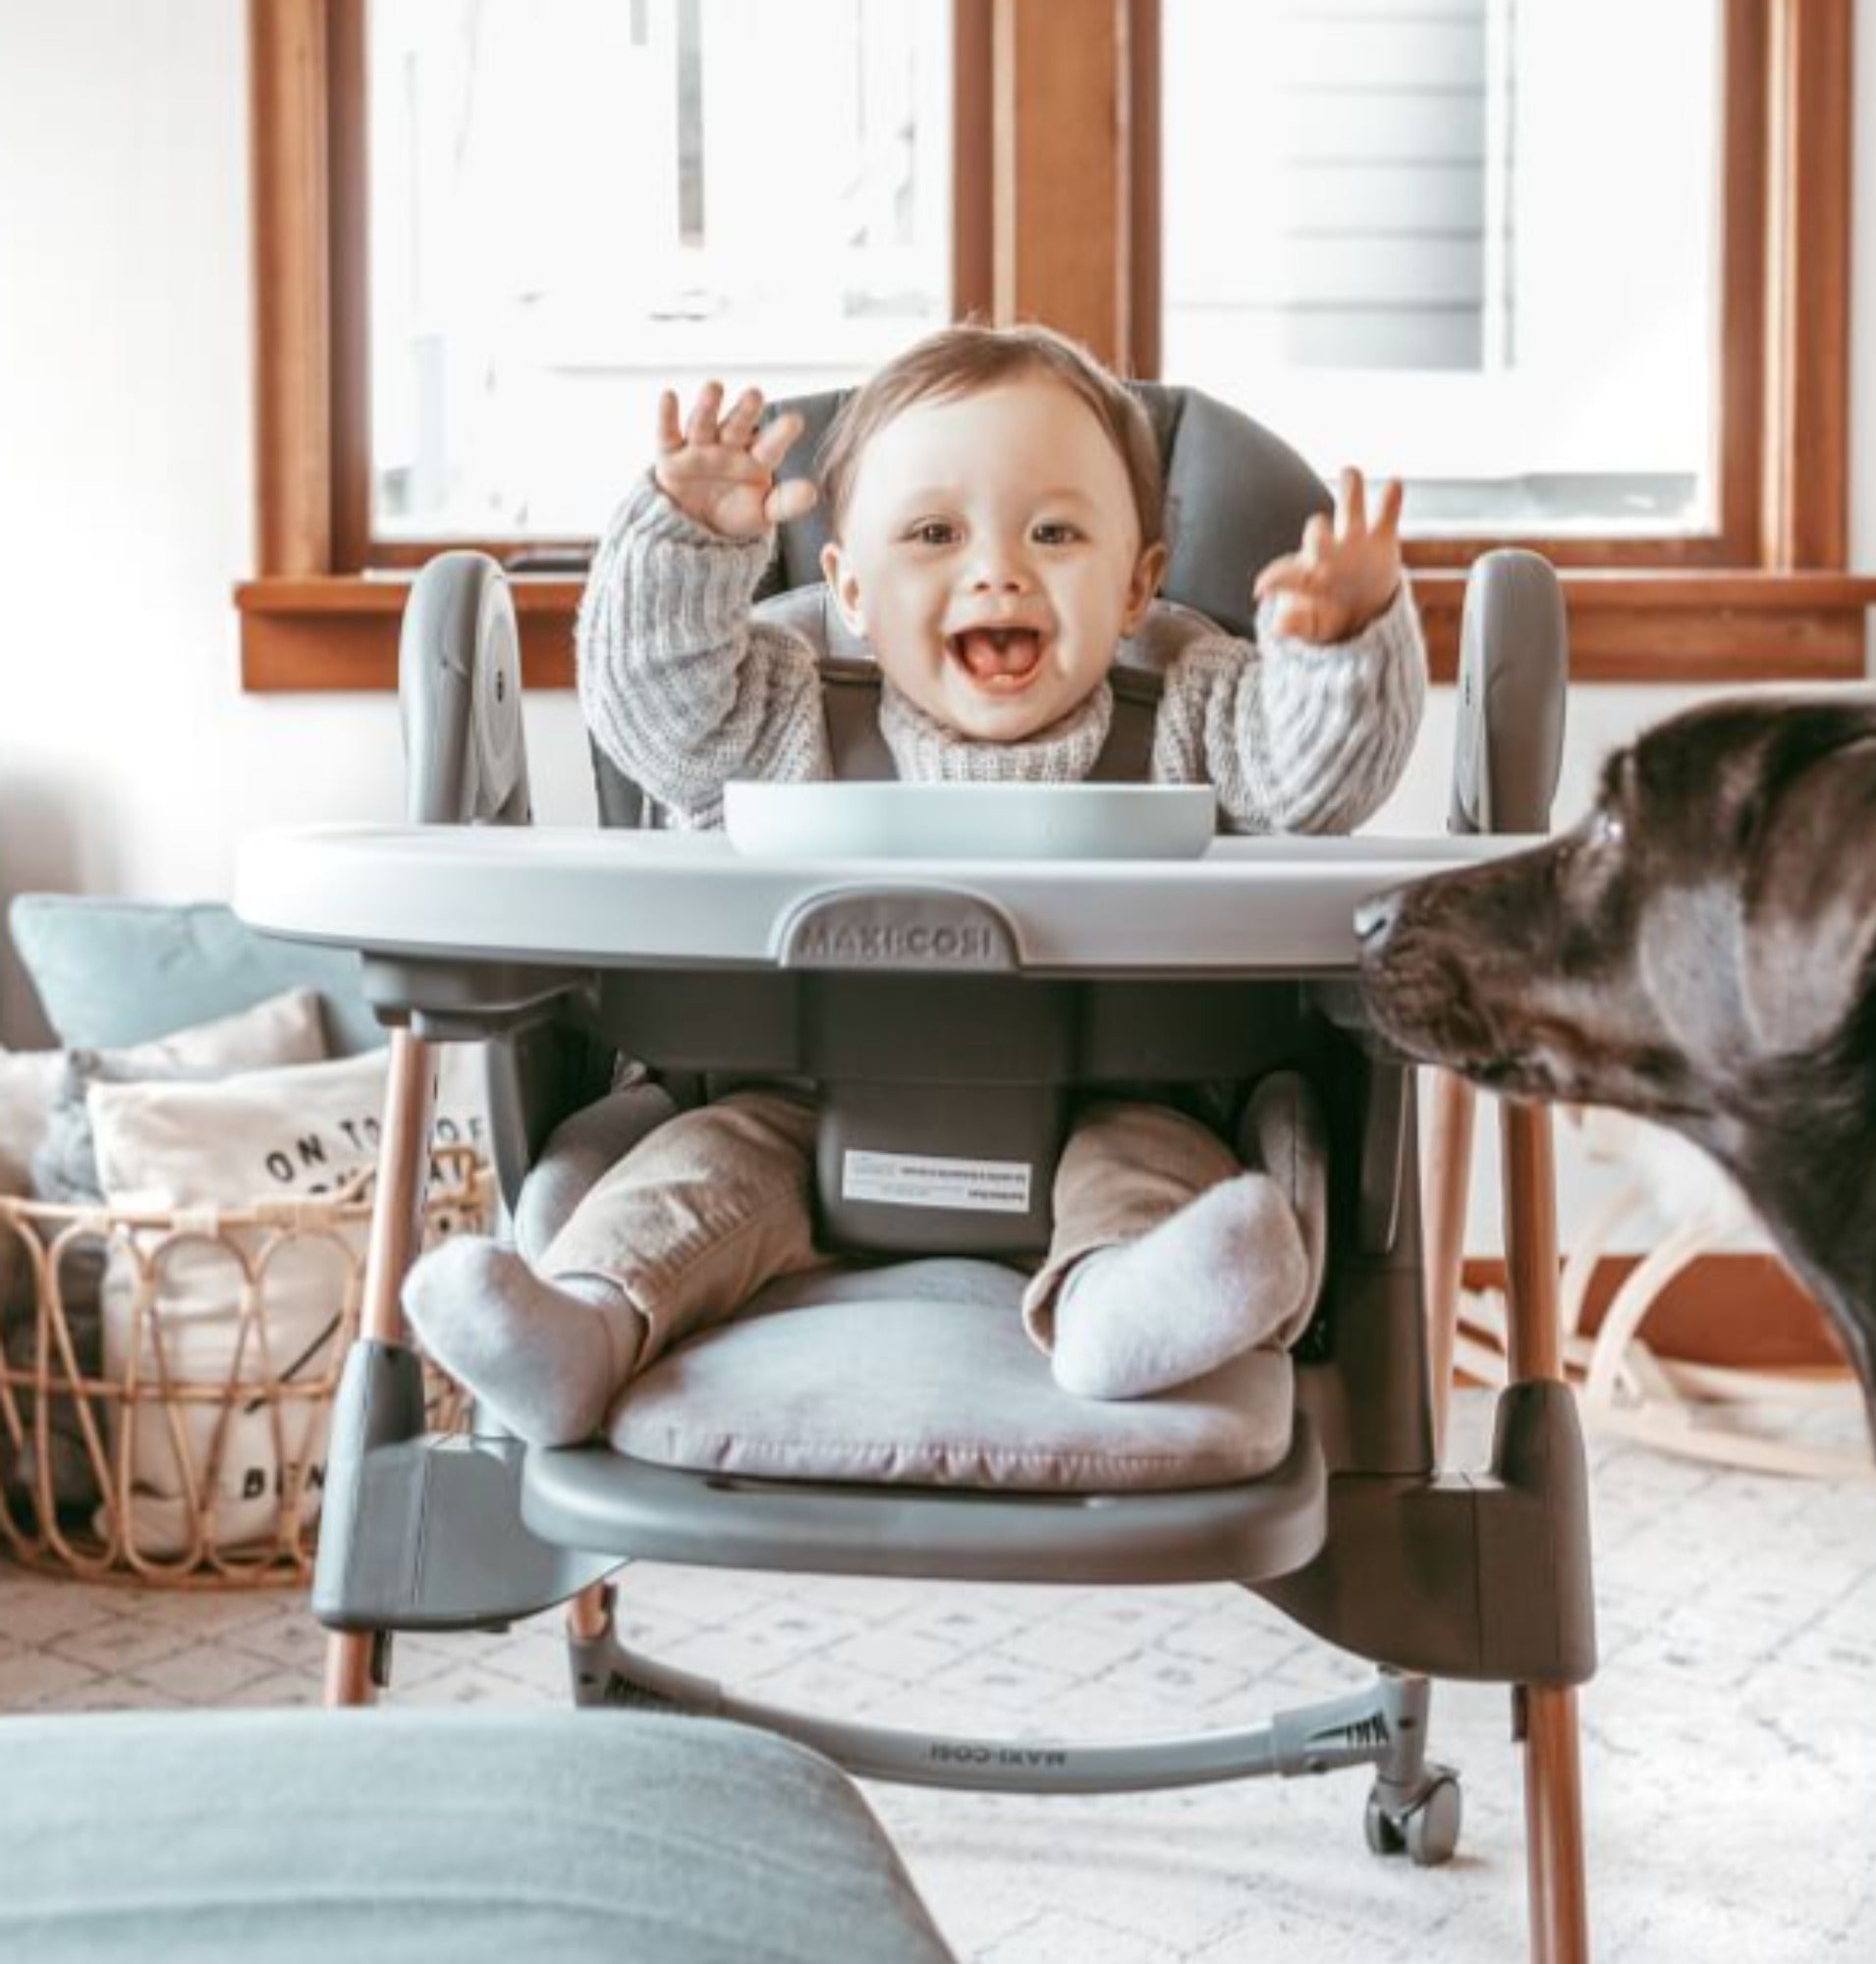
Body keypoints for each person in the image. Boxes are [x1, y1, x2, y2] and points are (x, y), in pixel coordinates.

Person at [407, 323, 1426, 1446]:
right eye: (934, 532)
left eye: (1054, 531)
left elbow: (1314, 783)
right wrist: (685, 547)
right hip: (795, 1102)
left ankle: (1117, 1310)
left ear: (1140, 584)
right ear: (846, 584)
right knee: (692, 1175)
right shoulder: (781, 709)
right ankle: (587, 1324)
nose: (997, 568)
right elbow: (654, 711)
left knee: (1158, 1171)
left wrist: (1336, 649)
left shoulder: (1196, 705)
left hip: (1126, 1094)